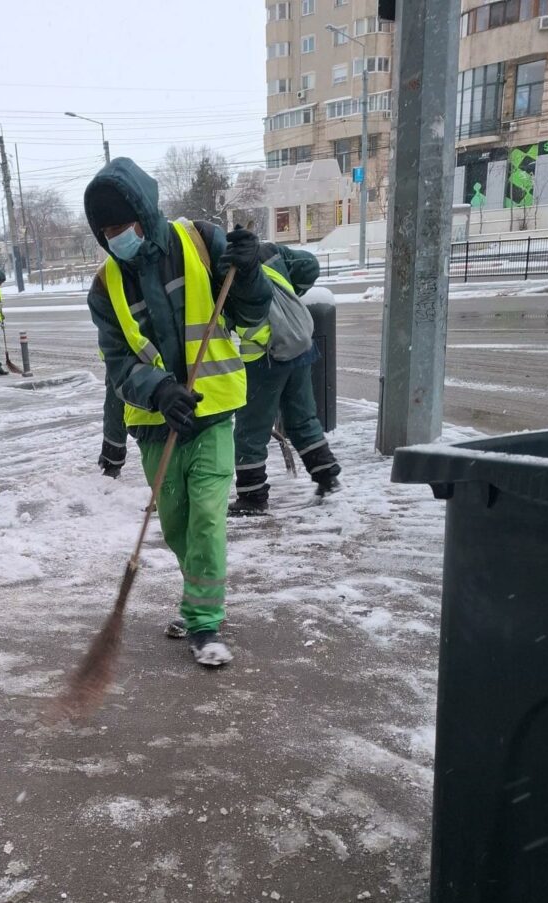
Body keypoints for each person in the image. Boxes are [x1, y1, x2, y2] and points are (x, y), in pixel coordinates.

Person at [85, 157, 271, 667]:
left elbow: (250, 311)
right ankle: (196, 604)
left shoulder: (200, 241)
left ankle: (205, 624)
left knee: (208, 518)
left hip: (211, 415)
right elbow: (118, 363)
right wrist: (159, 391)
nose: (117, 236)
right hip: (154, 425)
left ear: (146, 212)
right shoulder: (105, 287)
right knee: (177, 524)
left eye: (125, 225)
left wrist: (250, 271)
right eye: (108, 231)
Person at [229, 244, 342, 516]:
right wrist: (290, 290)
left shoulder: (227, 267)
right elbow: (309, 266)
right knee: (301, 417)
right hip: (298, 344)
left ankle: (253, 495)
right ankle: (326, 474)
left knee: (251, 427)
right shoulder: (268, 251)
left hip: (264, 354)